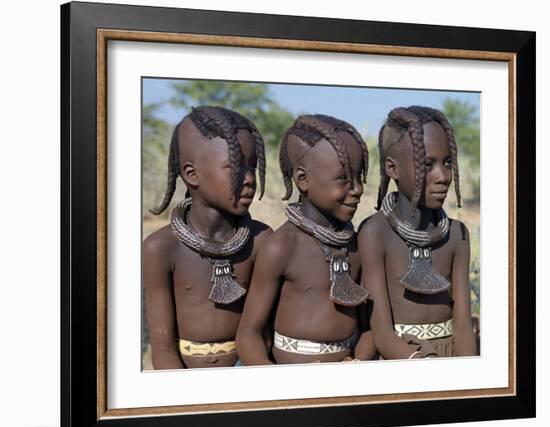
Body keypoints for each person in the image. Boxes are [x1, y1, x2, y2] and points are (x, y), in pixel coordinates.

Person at [236, 114, 376, 365]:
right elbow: (249, 333)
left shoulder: (355, 244)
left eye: (359, 176)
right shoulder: (282, 247)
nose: (358, 189)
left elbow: (368, 328)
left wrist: (359, 364)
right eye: (344, 178)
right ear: (303, 180)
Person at [143, 106, 272, 369]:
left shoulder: (262, 240)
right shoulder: (161, 248)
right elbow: (163, 347)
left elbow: (265, 332)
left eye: (252, 167)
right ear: (192, 174)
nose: (248, 179)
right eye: (235, 168)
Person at [358, 106, 476, 359]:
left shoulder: (457, 234)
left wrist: (467, 379)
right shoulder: (374, 233)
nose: (443, 176)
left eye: (447, 163)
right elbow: (381, 331)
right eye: (427, 164)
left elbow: (464, 325)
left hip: (451, 358)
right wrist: (426, 368)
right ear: (393, 169)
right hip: (400, 359)